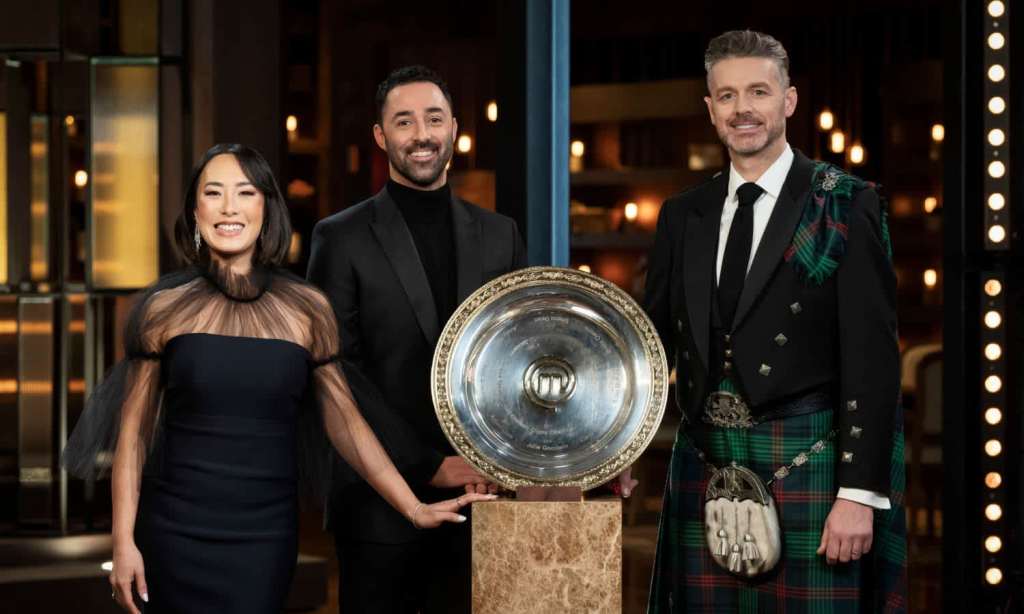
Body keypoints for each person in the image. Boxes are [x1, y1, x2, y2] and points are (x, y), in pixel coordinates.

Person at [62, 143, 492, 614]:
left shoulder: (308, 310)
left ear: (266, 209)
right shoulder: (163, 310)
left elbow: (347, 424)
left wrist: (413, 507)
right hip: (172, 531)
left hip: (263, 536)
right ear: (195, 211)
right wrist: (123, 542)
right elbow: (133, 437)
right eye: (213, 193)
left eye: (245, 192)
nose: (229, 207)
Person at [644, 31, 907, 612]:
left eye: (758, 91)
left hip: (809, 462)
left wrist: (858, 494)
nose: (743, 108)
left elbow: (872, 359)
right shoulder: (682, 214)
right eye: (727, 95)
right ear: (710, 108)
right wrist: (614, 447)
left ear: (788, 100)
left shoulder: (843, 202)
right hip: (705, 461)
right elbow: (650, 343)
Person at [306, 65, 526, 614]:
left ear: (454, 128)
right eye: (404, 122)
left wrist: (500, 463)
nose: (421, 134)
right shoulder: (340, 237)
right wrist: (428, 464)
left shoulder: (500, 235)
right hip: (377, 504)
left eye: (433, 119)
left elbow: (519, 355)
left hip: (483, 496)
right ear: (381, 137)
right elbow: (337, 371)